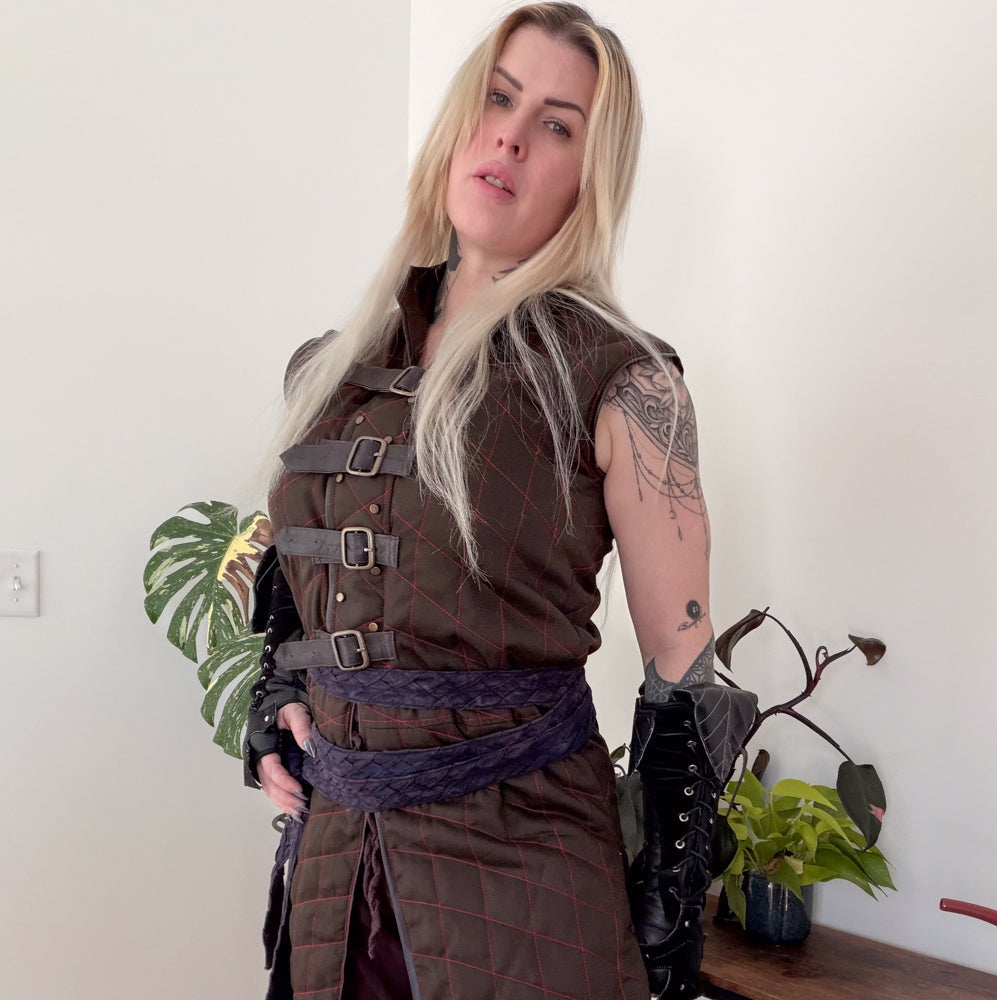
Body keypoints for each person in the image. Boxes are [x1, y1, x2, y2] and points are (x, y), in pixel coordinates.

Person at [243, 4, 756, 999]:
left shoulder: (627, 381)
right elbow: (296, 574)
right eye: (498, 97)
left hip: (525, 873)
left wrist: (665, 912)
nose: (511, 137)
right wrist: (278, 689)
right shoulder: (330, 368)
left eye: (557, 124)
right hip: (337, 876)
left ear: (589, 177)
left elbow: (683, 666)